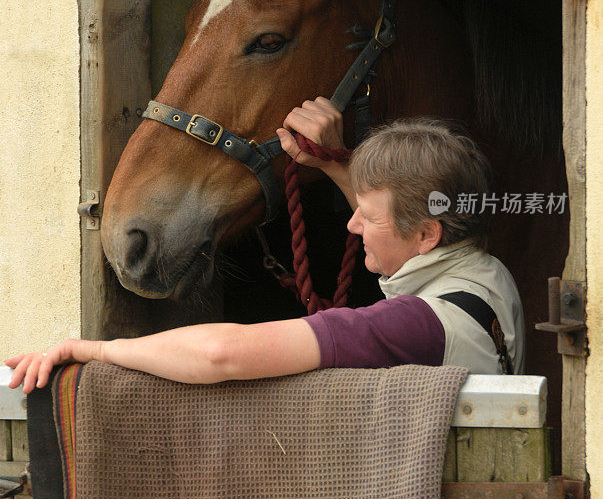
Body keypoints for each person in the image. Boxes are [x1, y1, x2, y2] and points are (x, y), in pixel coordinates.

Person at [6, 98, 524, 394]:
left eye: (367, 216)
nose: (352, 225)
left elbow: (220, 354)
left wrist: (89, 350)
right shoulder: (486, 272)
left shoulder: (413, 325)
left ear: (426, 236)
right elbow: (402, 220)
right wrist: (333, 165)